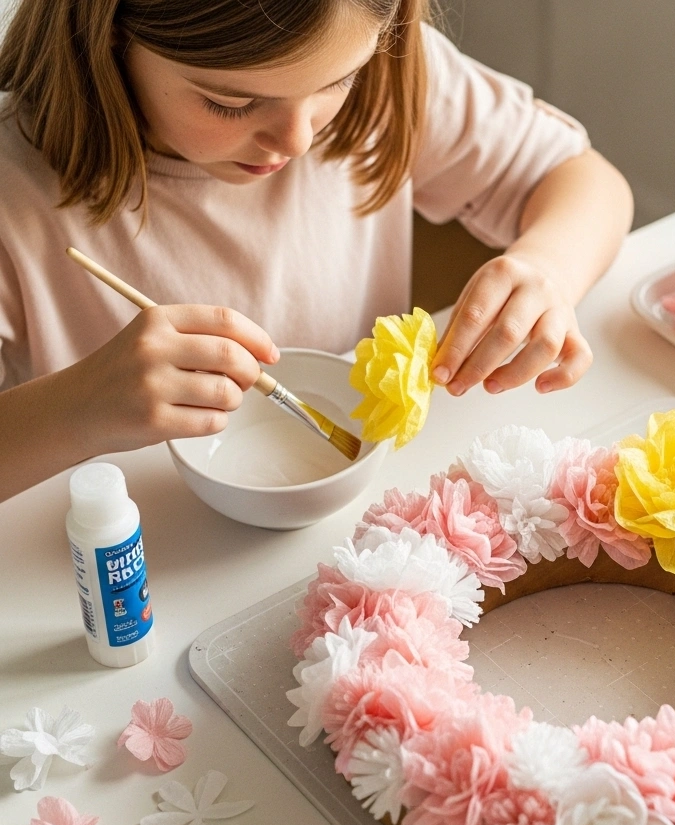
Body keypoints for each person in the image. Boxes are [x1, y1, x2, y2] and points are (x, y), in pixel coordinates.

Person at [0, 0, 633, 502]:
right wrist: (76, 408)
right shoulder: (14, 193)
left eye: (339, 82)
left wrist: (547, 267)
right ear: (109, 32)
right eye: (232, 102)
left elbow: (584, 180)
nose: (297, 139)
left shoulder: (382, 81)